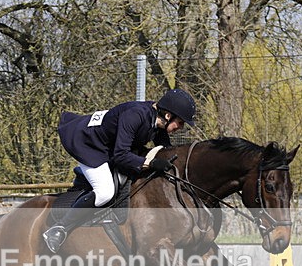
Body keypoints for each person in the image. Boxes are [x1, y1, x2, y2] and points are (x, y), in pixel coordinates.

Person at [42, 88, 197, 253]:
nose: (180, 127)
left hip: (109, 144)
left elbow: (165, 149)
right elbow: (121, 156)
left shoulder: (156, 122)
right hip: (87, 143)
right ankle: (59, 229)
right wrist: (150, 164)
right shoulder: (135, 116)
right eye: (180, 122)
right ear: (168, 116)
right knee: (105, 192)